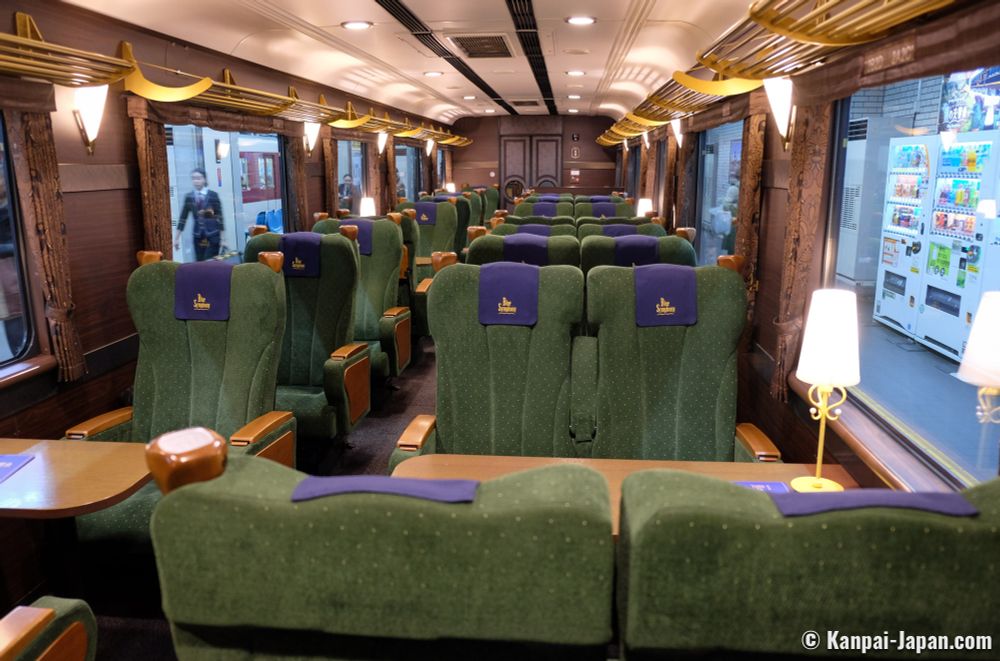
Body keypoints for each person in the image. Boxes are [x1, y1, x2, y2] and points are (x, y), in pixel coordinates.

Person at [174, 168, 224, 261]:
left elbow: (219, 217)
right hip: (198, 236)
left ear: (204, 179)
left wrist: (223, 239)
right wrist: (176, 238)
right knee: (199, 263)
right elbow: (183, 218)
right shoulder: (189, 197)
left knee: (209, 263)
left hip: (213, 235)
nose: (196, 181)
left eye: (198, 178)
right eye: (193, 178)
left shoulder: (213, 195)